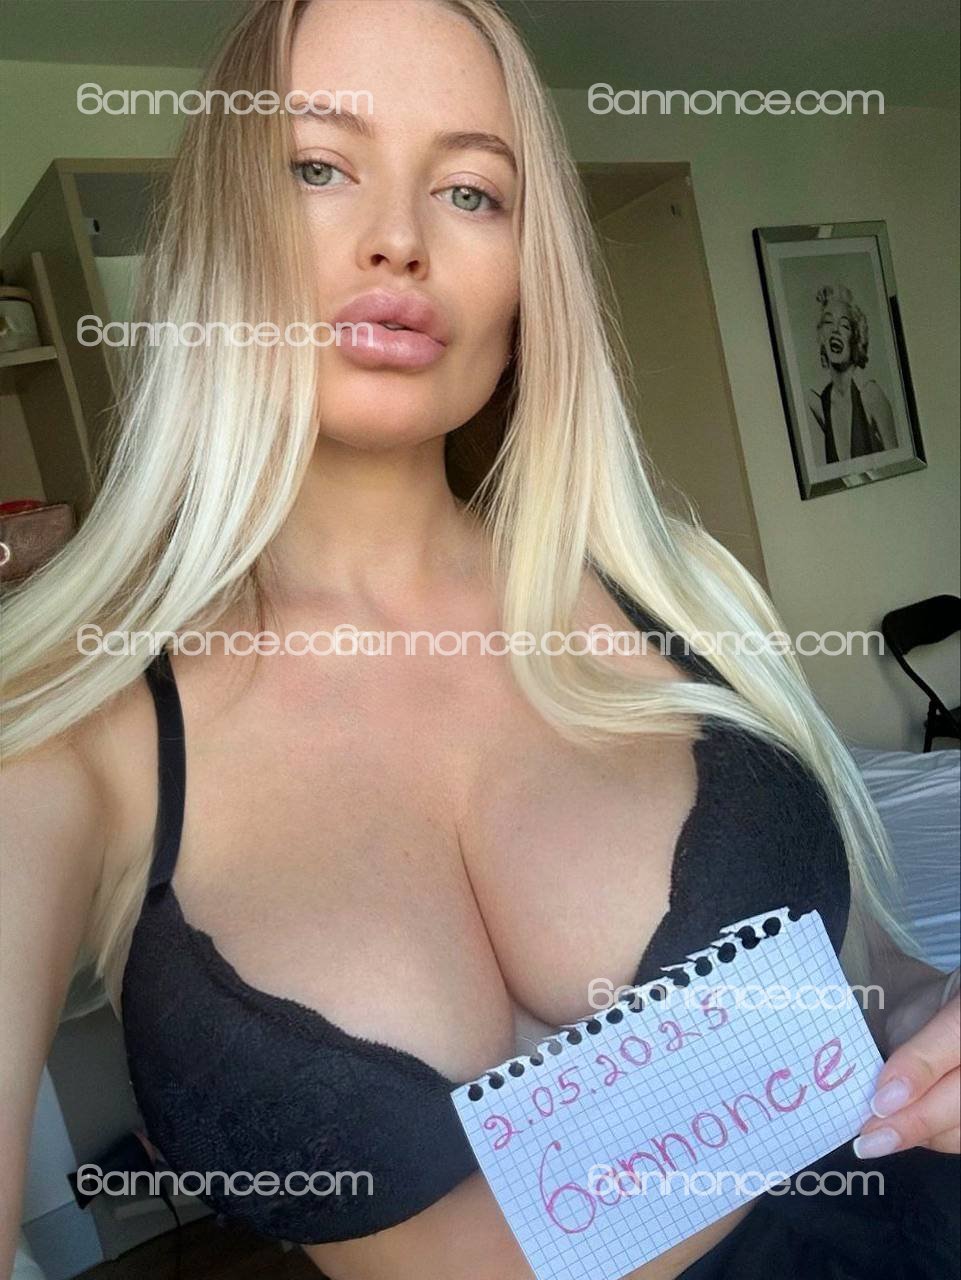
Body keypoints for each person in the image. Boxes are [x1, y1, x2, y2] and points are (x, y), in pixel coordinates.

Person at [1, 3, 958, 1278]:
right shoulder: (68, 723)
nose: (399, 238)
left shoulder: (677, 590)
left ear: (526, 273)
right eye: (317, 166)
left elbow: (874, 982)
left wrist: (940, 1015)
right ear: (216, 236)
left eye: (470, 192)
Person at [806, 284, 898, 464]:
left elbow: (900, 465)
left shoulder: (871, 396)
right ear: (822, 337)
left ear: (856, 338)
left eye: (844, 325)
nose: (835, 330)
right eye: (828, 322)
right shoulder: (817, 404)